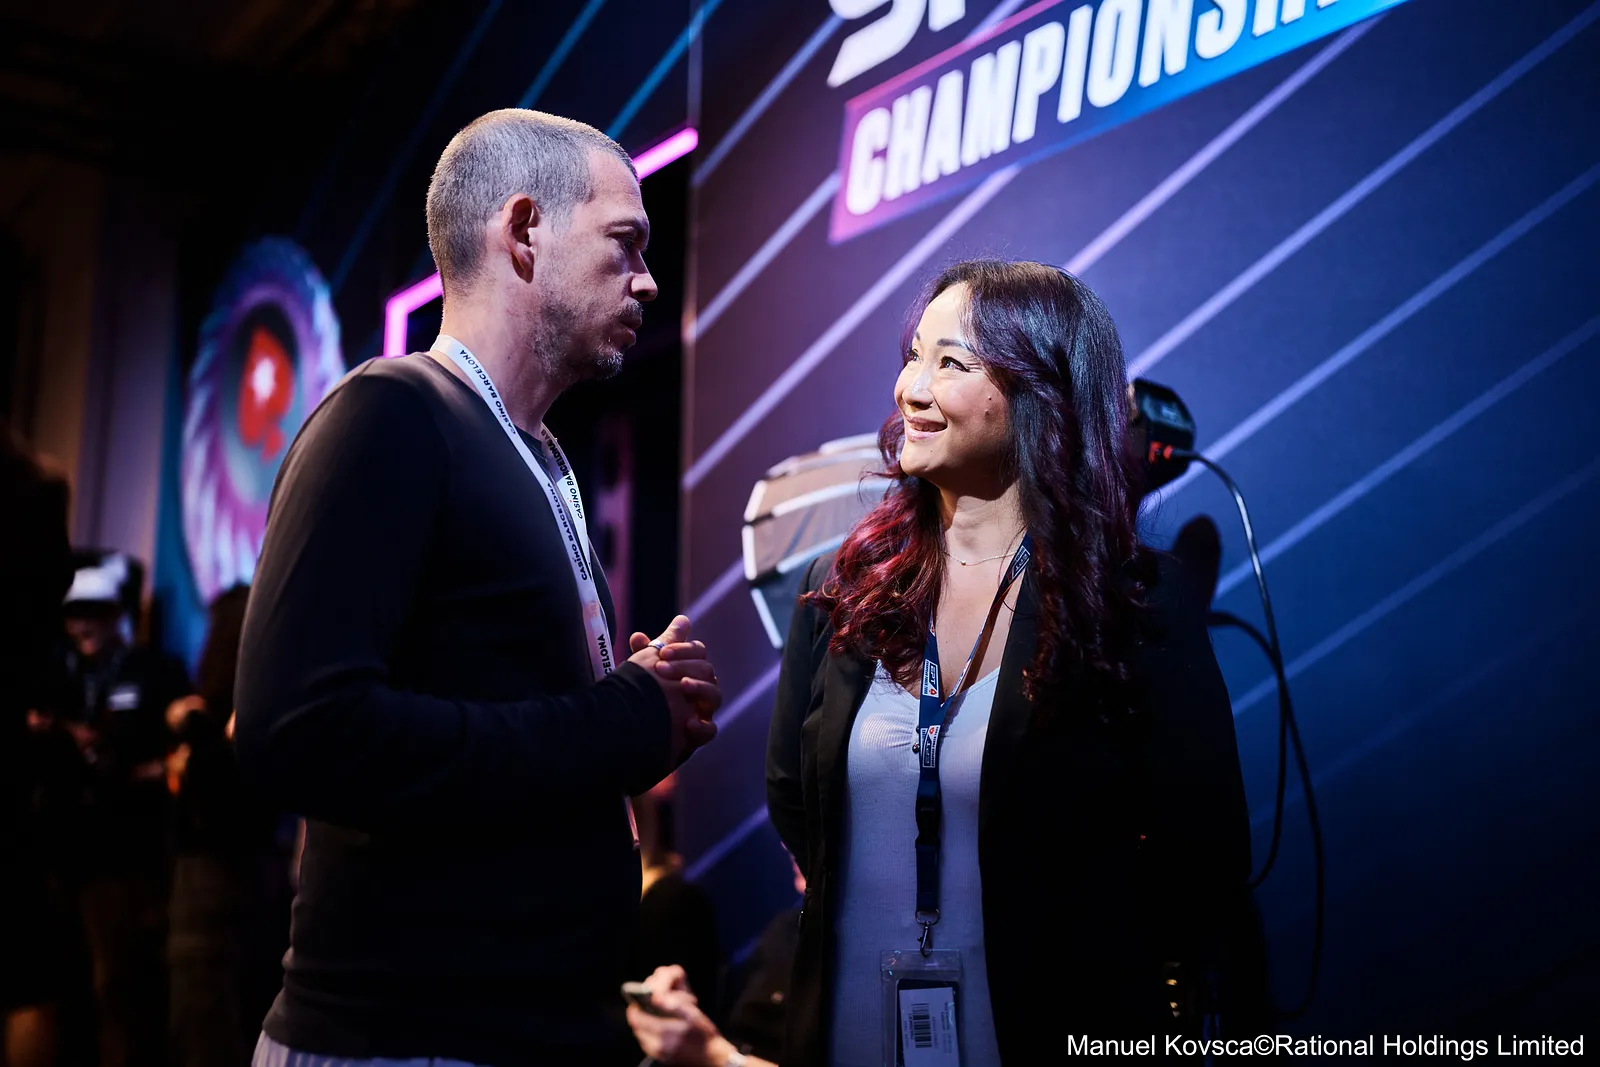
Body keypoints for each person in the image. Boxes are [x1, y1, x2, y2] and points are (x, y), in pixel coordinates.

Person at [235, 109, 722, 1067]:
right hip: (402, 1041)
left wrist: (631, 707)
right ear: (524, 230)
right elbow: (297, 730)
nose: (648, 278)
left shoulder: (537, 454)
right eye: (625, 242)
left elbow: (503, 723)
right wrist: (618, 721)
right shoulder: (391, 413)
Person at [766, 260, 1251, 1065]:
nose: (912, 389)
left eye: (950, 363)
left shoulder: (1129, 601)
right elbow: (794, 792)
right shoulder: (843, 586)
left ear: (1041, 394)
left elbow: (1203, 856)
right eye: (912, 357)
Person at [56, 552, 189, 1067]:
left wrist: (137, 772)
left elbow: (183, 755)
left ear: (118, 613)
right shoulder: (58, 676)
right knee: (66, 990)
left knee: (121, 988)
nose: (84, 624)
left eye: (96, 611)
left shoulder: (155, 670)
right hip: (63, 852)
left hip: (130, 857)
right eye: (75, 613)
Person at [167, 584, 294, 1067]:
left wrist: (192, 740)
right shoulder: (277, 701)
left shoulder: (220, 718)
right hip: (267, 877)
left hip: (216, 880)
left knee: (207, 1020)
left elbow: (214, 793)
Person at [627, 847, 803, 1067]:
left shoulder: (673, 899)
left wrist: (714, 1054)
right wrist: (685, 1016)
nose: (786, 844)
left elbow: (716, 1050)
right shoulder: (785, 930)